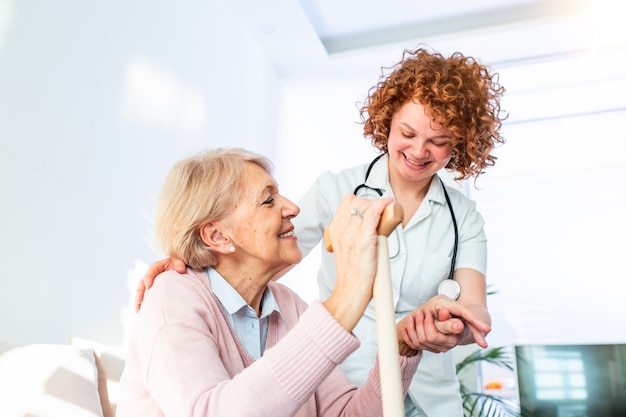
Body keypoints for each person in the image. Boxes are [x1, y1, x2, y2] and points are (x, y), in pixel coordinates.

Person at [135, 46, 503, 417]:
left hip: (421, 388)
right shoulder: (336, 191)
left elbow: (474, 312)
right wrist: (191, 263)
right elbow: (253, 260)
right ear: (388, 121)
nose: (420, 150)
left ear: (459, 144)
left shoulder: (464, 217)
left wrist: (438, 330)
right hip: (344, 367)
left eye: (438, 142)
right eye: (408, 132)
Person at [117, 147, 425, 417]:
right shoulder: (172, 298)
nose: (292, 207)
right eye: (268, 200)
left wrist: (401, 349)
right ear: (217, 236)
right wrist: (345, 299)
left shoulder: (288, 306)